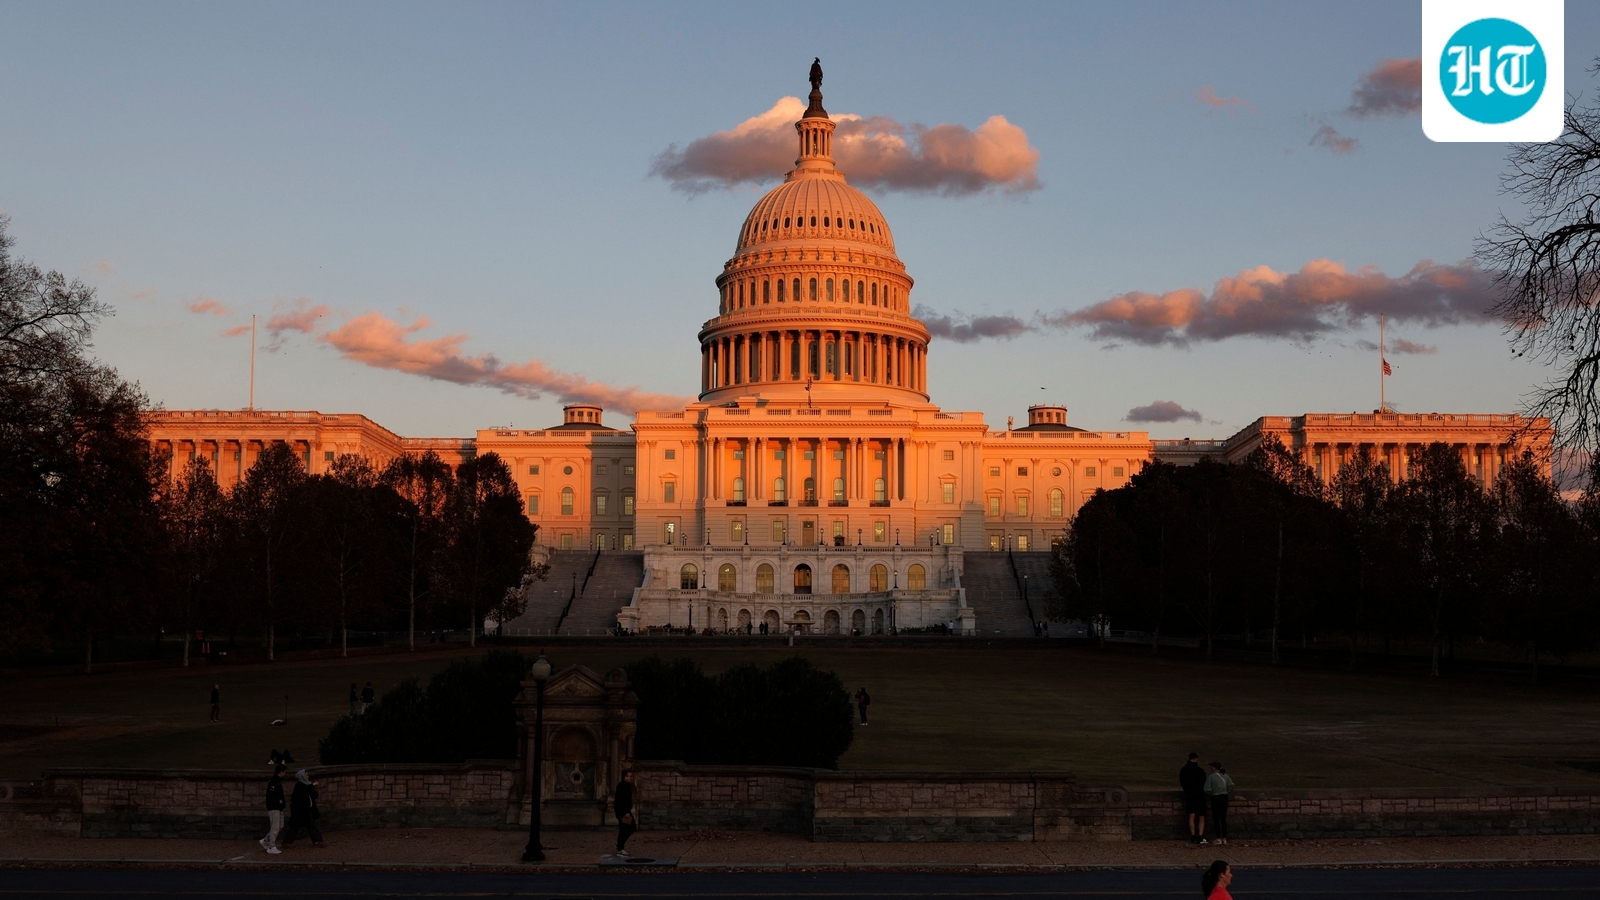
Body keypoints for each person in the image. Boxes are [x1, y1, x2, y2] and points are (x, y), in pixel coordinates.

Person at [279, 769, 326, 848]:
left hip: (306, 809)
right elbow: (305, 791)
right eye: (306, 775)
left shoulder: (307, 785)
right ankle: (287, 842)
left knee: (307, 825)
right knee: (298, 826)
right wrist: (313, 785)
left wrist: (313, 788)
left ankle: (317, 841)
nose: (308, 776)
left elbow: (313, 794)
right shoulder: (300, 785)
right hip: (300, 810)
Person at [1179, 752, 1208, 844]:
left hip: (1189, 795)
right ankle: (1200, 835)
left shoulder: (1183, 770)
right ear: (1196, 759)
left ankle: (1193, 835)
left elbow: (1182, 783)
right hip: (1199, 795)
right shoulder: (1200, 771)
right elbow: (1204, 783)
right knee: (1201, 816)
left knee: (1191, 815)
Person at [1204, 761, 1235, 845]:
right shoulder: (1225, 776)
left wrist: (1211, 792)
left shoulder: (1211, 777)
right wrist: (1226, 790)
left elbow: (1207, 789)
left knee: (1216, 818)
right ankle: (1224, 838)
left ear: (1214, 768)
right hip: (1224, 797)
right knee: (1223, 818)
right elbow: (1231, 785)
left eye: (1212, 767)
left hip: (1215, 798)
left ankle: (1218, 838)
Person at [260, 764, 286, 855]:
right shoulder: (274, 782)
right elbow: (270, 796)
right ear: (281, 772)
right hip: (274, 807)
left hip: (278, 807)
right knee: (275, 827)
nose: (285, 774)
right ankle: (271, 846)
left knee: (280, 826)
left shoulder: (277, 782)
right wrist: (277, 801)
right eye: (284, 772)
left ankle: (266, 840)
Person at [613, 769, 636, 858]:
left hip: (626, 811)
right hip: (623, 812)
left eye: (631, 776)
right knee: (625, 829)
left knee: (631, 827)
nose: (631, 778)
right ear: (625, 777)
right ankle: (620, 848)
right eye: (629, 776)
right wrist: (625, 812)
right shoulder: (622, 786)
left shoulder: (627, 785)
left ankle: (619, 844)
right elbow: (621, 800)